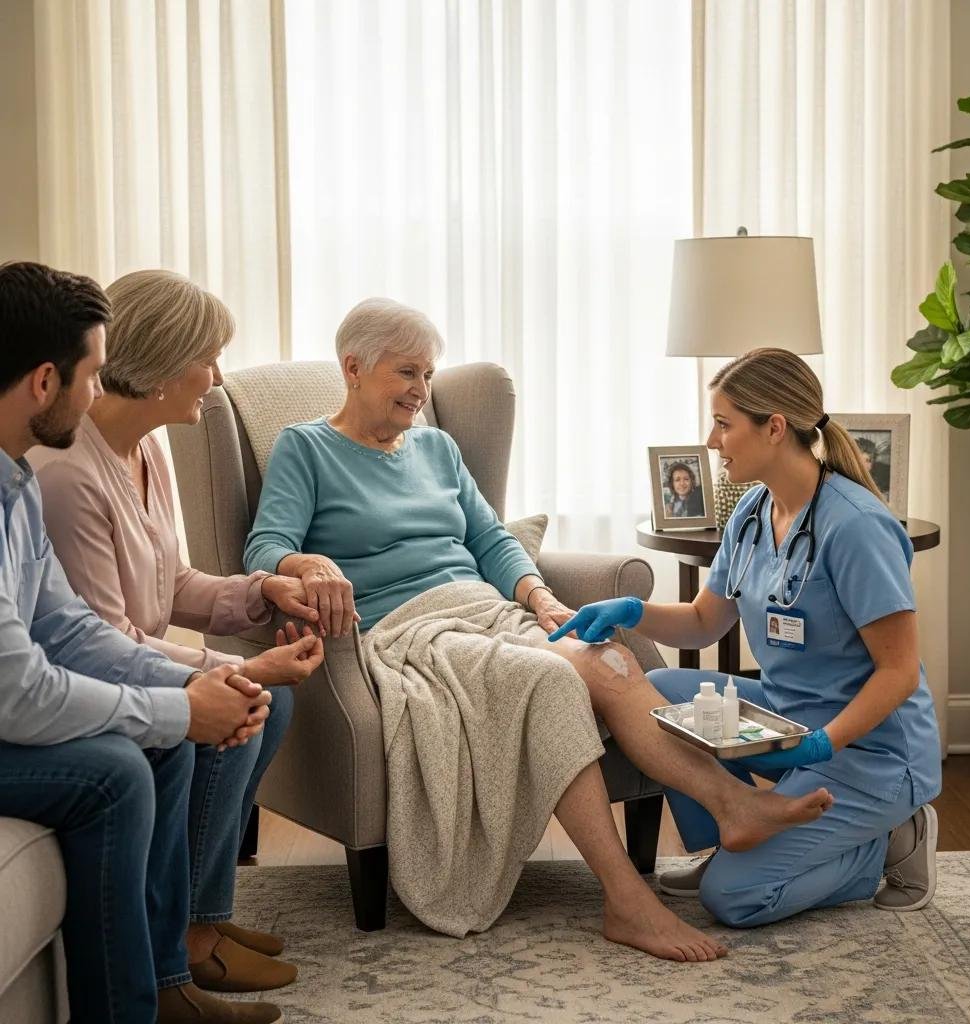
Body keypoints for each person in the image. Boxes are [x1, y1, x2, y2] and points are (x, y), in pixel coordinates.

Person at [243, 297, 834, 964]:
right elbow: (264, 547)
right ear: (353, 368)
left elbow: (492, 539)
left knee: (606, 659)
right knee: (552, 677)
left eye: (427, 375)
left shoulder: (436, 448)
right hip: (406, 632)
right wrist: (307, 561)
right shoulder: (307, 447)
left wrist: (541, 601)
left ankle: (731, 805)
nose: (419, 391)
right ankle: (625, 899)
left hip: (484, 608)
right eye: (405, 372)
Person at [551, 347, 942, 928]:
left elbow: (899, 672)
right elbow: (706, 620)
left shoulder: (857, 527)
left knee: (735, 899)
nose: (712, 440)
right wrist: (632, 612)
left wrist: (823, 745)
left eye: (724, 424)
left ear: (774, 428)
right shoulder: (755, 512)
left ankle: (885, 845)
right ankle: (728, 834)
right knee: (661, 692)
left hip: (870, 752)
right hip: (790, 717)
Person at [0, 261, 283, 1024]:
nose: (100, 393)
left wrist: (202, 682)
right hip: (13, 710)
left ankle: (174, 965)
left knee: (199, 719)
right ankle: (148, 997)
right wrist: (178, 707)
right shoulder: (52, 477)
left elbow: (69, 625)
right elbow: (21, 687)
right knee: (119, 769)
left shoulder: (16, 483)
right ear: (43, 382)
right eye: (93, 375)